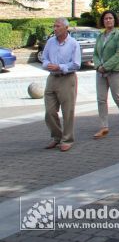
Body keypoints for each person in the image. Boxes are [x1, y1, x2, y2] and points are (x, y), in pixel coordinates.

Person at [41, 18, 81, 152]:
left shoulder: (73, 44)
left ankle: (67, 139)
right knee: (49, 111)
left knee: (68, 111)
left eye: (58, 26)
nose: (55, 28)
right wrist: (48, 65)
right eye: (54, 26)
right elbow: (44, 58)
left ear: (66, 28)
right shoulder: (50, 42)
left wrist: (60, 66)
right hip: (52, 78)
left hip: (67, 78)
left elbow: (76, 64)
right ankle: (56, 136)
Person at [92, 10, 119, 138]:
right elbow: (95, 54)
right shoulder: (100, 36)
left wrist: (106, 66)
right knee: (101, 99)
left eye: (110, 18)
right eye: (105, 19)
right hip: (101, 72)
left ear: (114, 20)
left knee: (118, 98)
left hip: (115, 71)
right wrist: (98, 66)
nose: (108, 20)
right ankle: (104, 127)